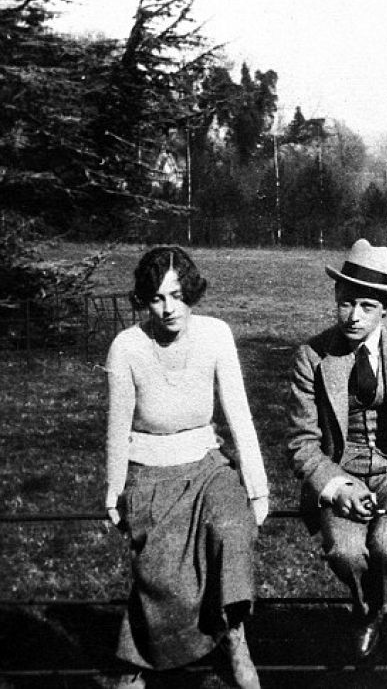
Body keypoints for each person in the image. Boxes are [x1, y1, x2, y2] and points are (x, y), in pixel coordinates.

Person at [105, 246, 269, 689]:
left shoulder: (216, 335)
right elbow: (117, 425)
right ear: (145, 300)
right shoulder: (127, 346)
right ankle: (138, 659)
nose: (169, 308)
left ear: (191, 292)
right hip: (149, 467)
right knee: (163, 574)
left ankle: (236, 638)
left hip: (207, 463)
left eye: (177, 296)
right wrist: (113, 490)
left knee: (233, 529)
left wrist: (257, 487)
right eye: (158, 298)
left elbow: (239, 413)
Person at [285, 239, 387, 661]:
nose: (354, 316)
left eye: (367, 306)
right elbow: (301, 441)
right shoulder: (312, 357)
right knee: (345, 552)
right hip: (342, 470)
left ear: (385, 310)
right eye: (346, 303)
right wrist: (337, 487)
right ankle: (368, 610)